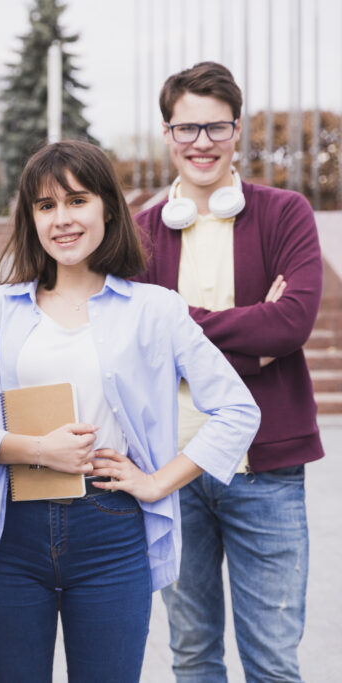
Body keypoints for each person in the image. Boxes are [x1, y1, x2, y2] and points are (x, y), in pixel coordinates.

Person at [0, 139, 260, 682]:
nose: (62, 220)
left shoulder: (154, 309)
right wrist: (37, 449)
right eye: (45, 206)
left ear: (106, 207)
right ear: (30, 219)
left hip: (109, 527)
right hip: (10, 532)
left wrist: (158, 482)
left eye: (77, 200)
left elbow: (238, 410)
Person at [135, 61, 324, 682]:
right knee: (192, 656)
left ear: (236, 131)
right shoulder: (138, 233)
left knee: (272, 660)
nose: (201, 143)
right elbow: (137, 340)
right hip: (173, 467)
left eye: (215, 127)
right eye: (186, 128)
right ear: (167, 134)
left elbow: (292, 324)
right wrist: (251, 327)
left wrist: (180, 329)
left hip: (266, 470)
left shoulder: (285, 213)